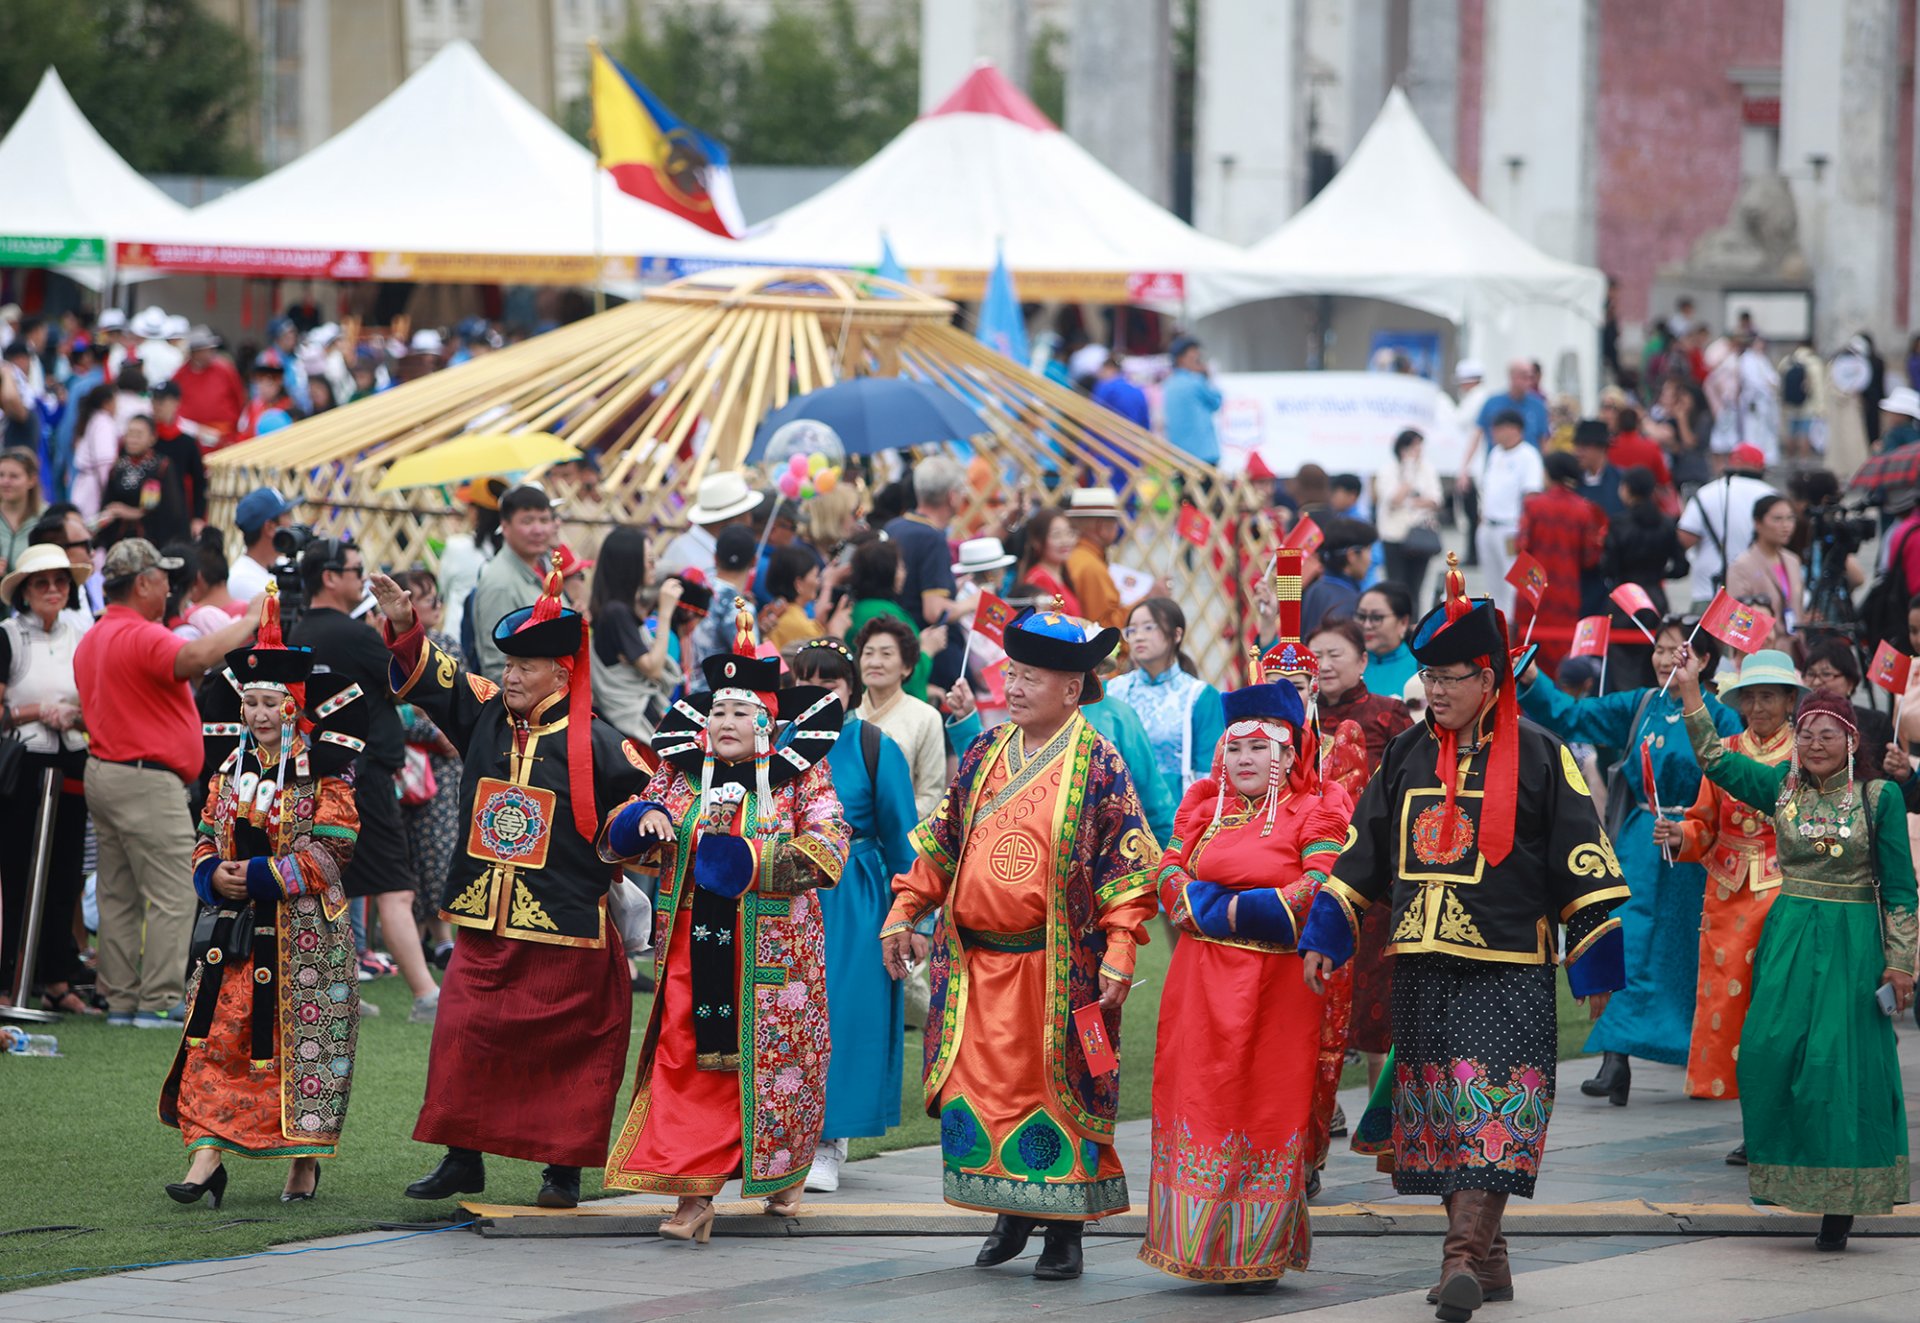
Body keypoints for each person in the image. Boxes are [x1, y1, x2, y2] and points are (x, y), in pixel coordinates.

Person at [1298, 560, 1628, 1322]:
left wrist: (1593, 955)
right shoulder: (1409, 754)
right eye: (1429, 677)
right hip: (1419, 960)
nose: (1436, 692)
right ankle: (1492, 1256)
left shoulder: (1541, 755)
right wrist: (1329, 927)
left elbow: (1586, 857)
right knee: (1442, 1117)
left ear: (1489, 677)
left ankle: (1457, 1263)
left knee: (1494, 1109)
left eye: (1451, 678)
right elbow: (1363, 848)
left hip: (1507, 963)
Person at [881, 607, 1158, 1281]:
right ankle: (1013, 1209)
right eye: (1014, 671)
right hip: (976, 965)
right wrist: (906, 905)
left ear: (1072, 686)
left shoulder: (1099, 762)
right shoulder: (984, 750)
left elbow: (1125, 867)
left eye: (1032, 676)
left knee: (1055, 1093)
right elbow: (942, 842)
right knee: (979, 1090)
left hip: (1056, 968)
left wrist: (1121, 947)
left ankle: (1064, 1231)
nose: (1016, 684)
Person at [368, 561, 650, 1209]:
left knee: (568, 1052)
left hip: (568, 924)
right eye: (508, 664)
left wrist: (643, 821)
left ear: (562, 671)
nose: (511, 675)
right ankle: (463, 1157)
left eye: (525, 666)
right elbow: (433, 677)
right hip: (485, 921)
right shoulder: (487, 714)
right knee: (463, 1032)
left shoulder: (603, 743)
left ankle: (562, 1170)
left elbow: (654, 803)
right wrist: (406, 622)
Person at [598, 605, 849, 1230]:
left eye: (742, 712)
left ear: (768, 722)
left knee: (780, 1067)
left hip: (773, 956)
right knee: (686, 1062)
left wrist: (750, 859)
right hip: (690, 950)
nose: (727, 722)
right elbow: (621, 828)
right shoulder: (680, 776)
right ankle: (695, 1197)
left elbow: (830, 843)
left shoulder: (799, 778)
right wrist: (642, 820)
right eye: (718, 712)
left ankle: (782, 1175)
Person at [1667, 657, 1914, 1252]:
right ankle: (1790, 1175)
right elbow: (1716, 761)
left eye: (1828, 733)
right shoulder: (1780, 789)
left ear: (1852, 741)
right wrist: (1690, 693)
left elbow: (1902, 889)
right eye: (1806, 734)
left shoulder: (1880, 799)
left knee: (1837, 1062)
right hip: (1787, 935)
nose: (1815, 743)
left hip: (1854, 942)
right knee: (1765, 1051)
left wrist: (1901, 963)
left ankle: (1839, 1206)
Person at [1139, 668, 1351, 1289]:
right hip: (1199, 984)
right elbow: (1166, 884)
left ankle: (1257, 1253)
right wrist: (1241, 905)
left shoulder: (1317, 808)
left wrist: (1214, 907)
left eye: (1260, 746)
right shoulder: (1202, 804)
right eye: (1234, 746)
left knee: (1263, 1106)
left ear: (1289, 752)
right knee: (1198, 1100)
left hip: (1278, 990)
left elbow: (1314, 894)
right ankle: (1199, 1247)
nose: (1244, 758)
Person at [159, 590, 368, 1205]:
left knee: (306, 1048)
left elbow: (333, 851)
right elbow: (205, 834)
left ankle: (303, 1163)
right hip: (233, 937)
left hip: (307, 939)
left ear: (294, 706)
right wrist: (210, 875)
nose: (259, 714)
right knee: (213, 1039)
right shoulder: (228, 770)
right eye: (249, 702)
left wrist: (252, 876)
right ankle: (204, 1162)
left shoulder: (322, 771)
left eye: (270, 702)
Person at [1517, 616, 1741, 1105]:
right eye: (1659, 650)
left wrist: (1693, 830)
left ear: (1704, 662)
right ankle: (1614, 1059)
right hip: (1641, 838)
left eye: (1677, 651)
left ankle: (1701, 1055)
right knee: (1628, 937)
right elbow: (1573, 716)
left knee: (1689, 948)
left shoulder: (1722, 717)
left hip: (1700, 845)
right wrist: (1531, 678)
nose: (1665, 659)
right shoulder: (1639, 705)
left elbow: (1738, 779)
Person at [75, 539, 261, 1026]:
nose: (169, 586)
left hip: (105, 772)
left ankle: (119, 999)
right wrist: (250, 619)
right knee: (175, 888)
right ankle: (158, 999)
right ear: (142, 584)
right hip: (144, 779)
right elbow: (198, 657)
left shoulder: (95, 635)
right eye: (161, 578)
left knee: (117, 892)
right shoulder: (141, 634)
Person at [287, 539, 440, 1022]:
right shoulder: (352, 636)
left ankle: (335, 993)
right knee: (393, 886)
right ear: (329, 577)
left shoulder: (299, 630)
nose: (363, 580)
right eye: (356, 570)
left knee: (332, 885)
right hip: (366, 773)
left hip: (322, 772)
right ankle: (425, 995)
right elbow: (407, 680)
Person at [788, 639, 920, 1193]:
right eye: (806, 685)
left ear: (850, 691)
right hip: (785, 892)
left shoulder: (872, 745)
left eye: (831, 685)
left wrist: (912, 916)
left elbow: (903, 838)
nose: (818, 695)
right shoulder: (774, 745)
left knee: (843, 1013)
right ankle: (778, 1136)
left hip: (854, 895)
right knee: (783, 1013)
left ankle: (828, 1143)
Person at [1651, 650, 1803, 1129]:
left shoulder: (1807, 752)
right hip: (1729, 893)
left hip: (1787, 891)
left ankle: (1780, 1113)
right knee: (1732, 1008)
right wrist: (1681, 836)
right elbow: (1704, 823)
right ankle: (1753, 1121)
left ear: (1789, 700)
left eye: (1769, 697)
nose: (1759, 707)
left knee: (1777, 1006)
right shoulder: (1729, 748)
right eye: (1751, 698)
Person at [0, 544, 96, 1013]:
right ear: (25, 591)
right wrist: (37, 711)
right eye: (42, 582)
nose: (53, 590)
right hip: (24, 767)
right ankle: (11, 980)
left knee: (66, 874)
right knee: (17, 874)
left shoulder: (82, 631)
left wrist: (75, 716)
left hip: (73, 761)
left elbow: (99, 696)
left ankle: (57, 978)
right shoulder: (9, 636)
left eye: (61, 581)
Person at [1106, 597, 1225, 792]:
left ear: (1177, 635)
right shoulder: (1112, 690)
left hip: (1176, 813)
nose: (1138, 636)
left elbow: (1210, 772)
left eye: (1148, 627)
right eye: (1132, 630)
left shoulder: (1199, 696)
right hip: (1118, 807)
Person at [587, 526, 685, 741]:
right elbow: (654, 669)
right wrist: (665, 612)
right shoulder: (615, 613)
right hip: (628, 726)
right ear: (629, 565)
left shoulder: (619, 610)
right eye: (649, 560)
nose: (654, 565)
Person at [1515, 451, 1608, 668]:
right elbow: (1589, 558)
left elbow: (1521, 547)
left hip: (1532, 589)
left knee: (1526, 651)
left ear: (1548, 474)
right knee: (1560, 652)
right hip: (1567, 590)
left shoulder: (1533, 505)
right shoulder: (1584, 509)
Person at [883, 455, 969, 686]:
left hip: (898, 645)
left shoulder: (895, 526)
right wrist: (974, 603)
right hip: (931, 656)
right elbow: (934, 611)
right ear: (952, 496)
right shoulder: (932, 538)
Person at [852, 614, 947, 818]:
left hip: (901, 834)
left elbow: (931, 793)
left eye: (886, 654)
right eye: (868, 653)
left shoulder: (926, 717)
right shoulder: (847, 714)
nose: (875, 662)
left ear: (906, 667)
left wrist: (893, 823)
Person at [470, 484, 555, 683]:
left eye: (544, 520)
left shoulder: (546, 565)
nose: (538, 530)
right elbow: (497, 664)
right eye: (527, 521)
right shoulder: (500, 582)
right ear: (505, 526)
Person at [1677, 444, 1776, 610]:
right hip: (1757, 596)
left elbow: (1685, 538)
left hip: (1708, 592)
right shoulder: (1773, 496)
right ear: (1760, 467)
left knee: (1703, 636)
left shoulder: (1706, 492)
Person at [1466, 411, 1545, 614]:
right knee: (1492, 582)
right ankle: (1496, 622)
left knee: (1513, 582)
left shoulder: (1528, 456)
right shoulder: (1496, 453)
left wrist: (1524, 528)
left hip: (1510, 528)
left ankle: (1513, 625)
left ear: (1514, 429)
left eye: (1498, 428)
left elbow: (1532, 494)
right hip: (1487, 525)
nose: (1494, 433)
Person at [846, 539, 938, 702]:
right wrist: (928, 650)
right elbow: (905, 676)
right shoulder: (886, 615)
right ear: (887, 572)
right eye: (900, 567)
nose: (904, 573)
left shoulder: (857, 609)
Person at [1801, 640, 1894, 785]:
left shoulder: (1877, 722)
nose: (1817, 682)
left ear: (1850, 682)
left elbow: (1893, 775)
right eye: (1811, 674)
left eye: (1826, 674)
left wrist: (1903, 773)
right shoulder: (1798, 721)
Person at [96, 414, 188, 551]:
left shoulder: (161, 466)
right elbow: (107, 504)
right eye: (129, 434)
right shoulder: (117, 467)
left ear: (152, 438)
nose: (132, 440)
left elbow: (171, 510)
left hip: (151, 541)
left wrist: (132, 513)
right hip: (120, 542)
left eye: (138, 435)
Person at [1723, 495, 1801, 653]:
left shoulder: (1792, 560)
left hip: (1796, 649)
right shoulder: (1742, 566)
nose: (1786, 526)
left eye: (1790, 519)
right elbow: (1737, 624)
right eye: (1777, 519)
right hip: (1762, 652)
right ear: (1758, 523)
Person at [1602, 468, 1683, 622]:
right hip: (1656, 598)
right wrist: (1660, 574)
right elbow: (1681, 567)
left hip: (1624, 599)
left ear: (1626, 489)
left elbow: (1608, 567)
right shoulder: (1666, 523)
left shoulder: (1619, 524)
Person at [1374, 429, 1442, 598]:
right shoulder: (1387, 470)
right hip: (1393, 536)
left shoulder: (1428, 469)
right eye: (1413, 446)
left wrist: (1409, 503)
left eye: (1420, 446)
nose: (1418, 451)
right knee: (1396, 586)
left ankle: (1414, 623)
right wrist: (1409, 472)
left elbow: (1435, 500)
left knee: (1415, 589)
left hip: (1419, 535)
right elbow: (1393, 499)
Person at [658, 471, 761, 580]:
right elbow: (728, 596)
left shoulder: (683, 545)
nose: (750, 521)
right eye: (747, 514)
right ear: (734, 521)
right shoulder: (703, 566)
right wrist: (741, 598)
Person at [1064, 486, 1130, 630]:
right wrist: (1146, 600)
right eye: (1114, 523)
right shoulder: (1091, 566)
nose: (1117, 528)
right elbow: (1105, 627)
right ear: (1102, 527)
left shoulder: (1075, 555)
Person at [170, 326, 246, 446]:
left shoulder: (225, 370)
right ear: (194, 353)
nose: (210, 353)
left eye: (211, 349)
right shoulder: (179, 376)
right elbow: (172, 406)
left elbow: (239, 399)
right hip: (192, 437)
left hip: (224, 437)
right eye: (205, 350)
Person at [148, 384, 209, 528]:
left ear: (176, 403)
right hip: (149, 514)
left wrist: (198, 517)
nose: (157, 405)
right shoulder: (147, 439)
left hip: (178, 514)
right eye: (154, 400)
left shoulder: (186, 442)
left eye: (162, 401)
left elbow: (199, 481)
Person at [1300, 519, 1375, 635]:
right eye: (1369, 550)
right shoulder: (1348, 602)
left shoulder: (1315, 588)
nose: (1371, 560)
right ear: (1352, 555)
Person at [1162, 335, 1222, 465]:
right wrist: (1207, 377)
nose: (1198, 359)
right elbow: (1217, 401)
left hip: (1179, 457)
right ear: (1181, 359)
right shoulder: (1196, 382)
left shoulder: (1168, 384)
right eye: (1194, 356)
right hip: (1203, 456)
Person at [227, 488, 296, 601]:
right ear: (270, 527)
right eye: (287, 516)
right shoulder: (242, 580)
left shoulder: (282, 563)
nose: (291, 523)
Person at [1012, 505, 1082, 614]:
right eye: (1056, 535)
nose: (1065, 541)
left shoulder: (1062, 574)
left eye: (1069, 533)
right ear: (1037, 541)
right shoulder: (1038, 579)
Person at [68, 381, 120, 524]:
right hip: (93, 488)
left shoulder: (92, 419)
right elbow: (104, 462)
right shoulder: (104, 422)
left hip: (84, 484)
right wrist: (108, 493)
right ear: (106, 403)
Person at [1357, 582, 1418, 697]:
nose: (1367, 625)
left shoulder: (1422, 669)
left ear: (1403, 622)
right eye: (1361, 616)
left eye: (1376, 618)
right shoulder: (1350, 665)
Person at [1474, 359, 1551, 449]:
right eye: (1524, 377)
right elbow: (1477, 434)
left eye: (1531, 378)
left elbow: (1543, 440)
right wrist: (1466, 462)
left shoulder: (1538, 405)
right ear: (1512, 377)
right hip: (1499, 461)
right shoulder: (1492, 403)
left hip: (1528, 461)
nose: (1529, 382)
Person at [764, 543, 826, 650]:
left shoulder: (771, 612)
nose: (818, 582)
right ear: (799, 584)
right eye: (816, 576)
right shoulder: (802, 626)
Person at [0, 446, 45, 576]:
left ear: (32, 480)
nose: (5, 482)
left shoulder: (46, 517)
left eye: (14, 476)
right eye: (1, 475)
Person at [1572, 420, 1626, 523]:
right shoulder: (1572, 481)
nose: (1577, 452)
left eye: (1584, 446)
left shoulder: (1621, 480)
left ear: (1601, 448)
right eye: (1576, 446)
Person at [1090, 354, 1149, 430]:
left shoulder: (1105, 386)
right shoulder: (1138, 390)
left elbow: (1094, 415)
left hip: (1109, 436)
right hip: (1132, 437)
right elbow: (1145, 423)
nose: (1100, 374)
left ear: (1109, 368)